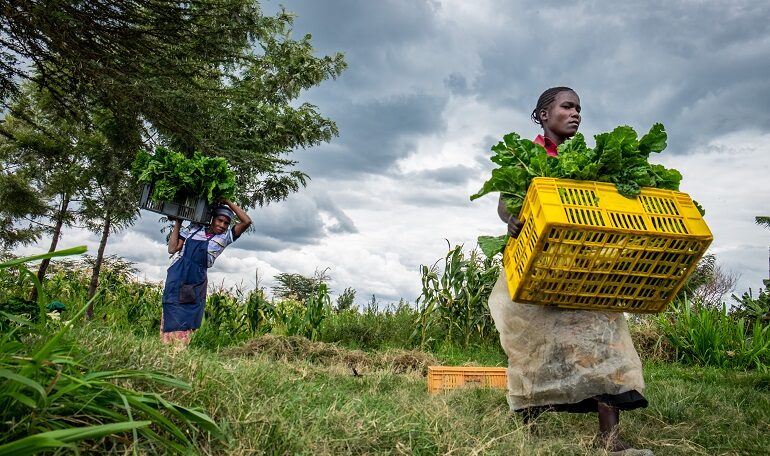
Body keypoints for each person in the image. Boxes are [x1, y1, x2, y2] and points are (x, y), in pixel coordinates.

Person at [488, 87, 650, 454]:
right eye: (567, 106)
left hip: (584, 267)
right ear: (544, 114)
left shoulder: (590, 159)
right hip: (538, 265)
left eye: (579, 108)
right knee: (533, 347)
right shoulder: (526, 156)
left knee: (604, 344)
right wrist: (511, 219)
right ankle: (528, 433)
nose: (575, 113)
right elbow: (503, 201)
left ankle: (609, 441)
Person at [160, 198, 252, 347]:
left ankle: (179, 350)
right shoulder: (194, 228)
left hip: (195, 280)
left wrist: (227, 202)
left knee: (188, 313)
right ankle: (165, 347)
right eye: (219, 220)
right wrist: (178, 222)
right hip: (177, 274)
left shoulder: (225, 238)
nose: (222, 226)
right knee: (171, 307)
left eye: (226, 223)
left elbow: (246, 221)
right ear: (212, 219)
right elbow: (172, 249)